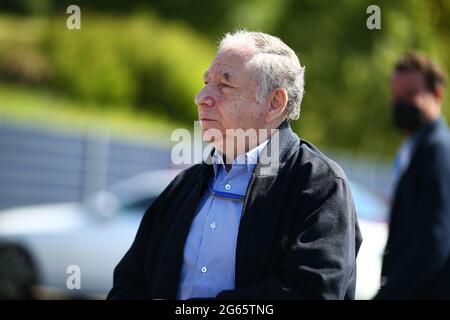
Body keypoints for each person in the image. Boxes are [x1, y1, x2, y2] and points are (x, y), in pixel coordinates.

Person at [108, 30, 362, 300]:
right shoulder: (185, 185)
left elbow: (312, 292)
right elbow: (128, 282)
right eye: (206, 81)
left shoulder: (320, 186)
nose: (201, 97)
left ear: (275, 103)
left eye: (224, 85)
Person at [375, 52, 450, 299]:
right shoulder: (415, 147)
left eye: (409, 94)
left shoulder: (437, 150)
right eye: (396, 95)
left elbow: (435, 240)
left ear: (437, 94)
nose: (399, 103)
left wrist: (390, 294)